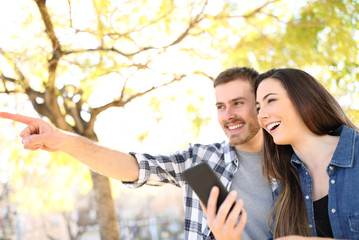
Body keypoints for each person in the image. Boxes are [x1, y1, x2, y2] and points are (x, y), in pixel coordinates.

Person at [0, 67, 273, 240]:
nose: (228, 115)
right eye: (221, 106)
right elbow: (136, 167)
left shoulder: (295, 159)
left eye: (238, 103)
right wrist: (63, 141)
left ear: (259, 105)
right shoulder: (203, 160)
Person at [255, 68, 359, 240]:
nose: (262, 115)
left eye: (271, 100)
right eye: (258, 108)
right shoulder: (284, 187)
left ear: (303, 98)